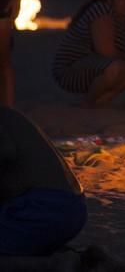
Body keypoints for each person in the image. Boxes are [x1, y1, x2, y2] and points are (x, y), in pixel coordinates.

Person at [0, 107, 86, 271]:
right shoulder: (7, 113)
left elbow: (6, 151)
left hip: (44, 207)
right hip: (70, 205)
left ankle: (51, 265)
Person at [52, 0, 125, 107]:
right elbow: (106, 51)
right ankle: (88, 102)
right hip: (72, 68)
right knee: (116, 67)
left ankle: (105, 98)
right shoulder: (101, 11)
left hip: (99, 64)